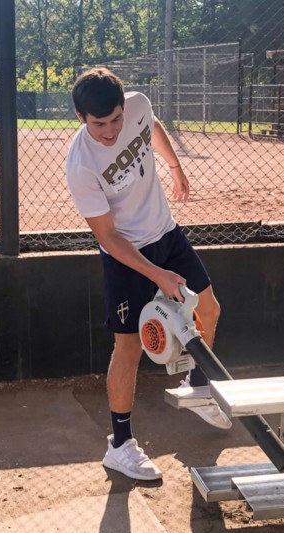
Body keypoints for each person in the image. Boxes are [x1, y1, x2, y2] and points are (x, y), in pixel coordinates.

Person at [66, 67, 231, 482]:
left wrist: (174, 166)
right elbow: (107, 235)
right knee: (129, 349)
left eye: (115, 119)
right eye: (99, 123)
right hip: (127, 254)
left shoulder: (137, 105)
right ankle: (120, 446)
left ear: (125, 106)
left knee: (208, 310)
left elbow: (151, 125)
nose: (110, 130)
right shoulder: (82, 165)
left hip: (167, 232)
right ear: (80, 118)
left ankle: (196, 384)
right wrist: (157, 274)